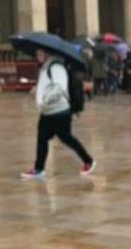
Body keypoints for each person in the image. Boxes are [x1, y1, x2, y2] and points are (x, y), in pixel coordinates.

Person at [21, 49, 95, 179]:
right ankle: (39, 169)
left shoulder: (56, 67)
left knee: (66, 138)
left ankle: (88, 161)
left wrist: (45, 100)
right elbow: (48, 85)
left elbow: (59, 88)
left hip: (59, 111)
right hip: (48, 111)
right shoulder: (46, 67)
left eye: (40, 54)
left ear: (47, 54)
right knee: (42, 138)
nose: (37, 57)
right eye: (37, 54)